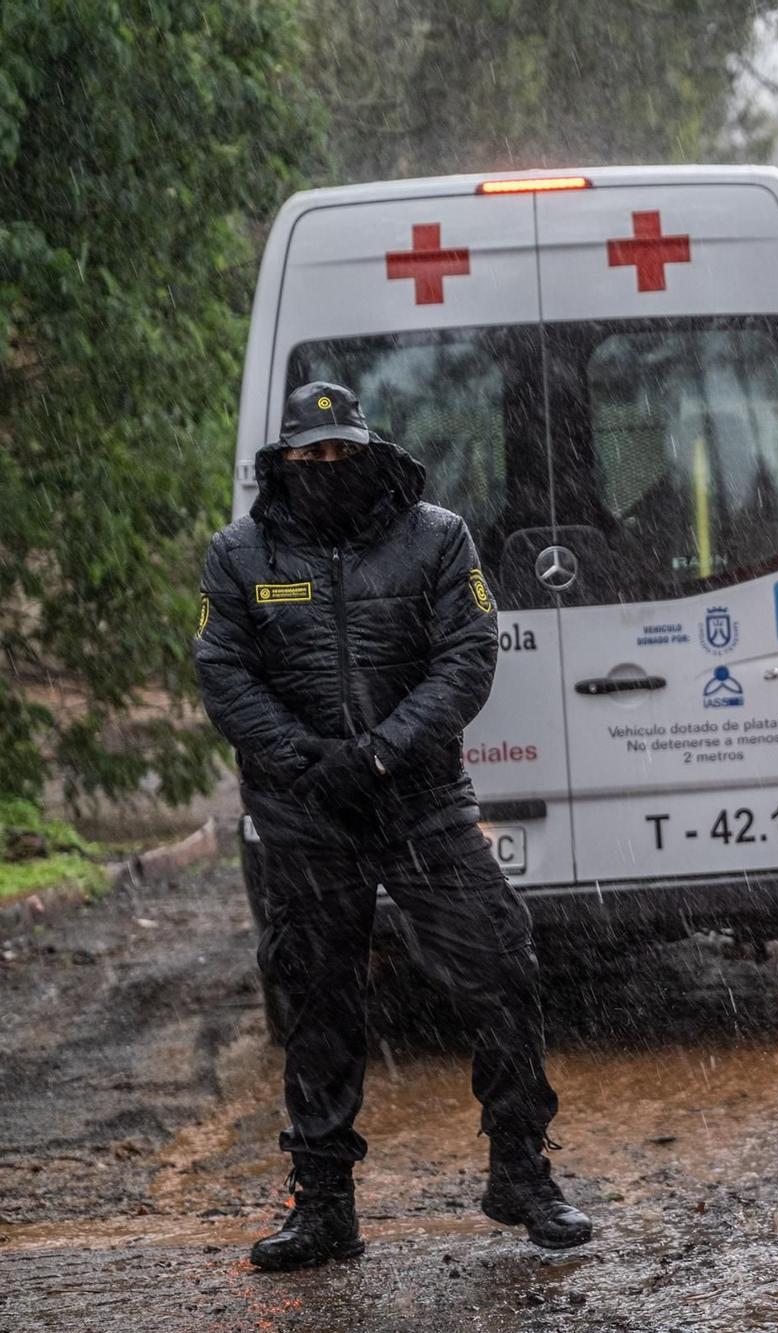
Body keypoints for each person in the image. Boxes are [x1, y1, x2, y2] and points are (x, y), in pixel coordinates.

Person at [195, 382, 591, 1269]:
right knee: (318, 1000)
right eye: (310, 456)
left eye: (341, 452)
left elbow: (467, 658)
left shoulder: (437, 537)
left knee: (501, 965)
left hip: (418, 801)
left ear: (369, 450)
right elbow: (224, 672)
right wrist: (304, 757)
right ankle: (324, 1204)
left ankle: (522, 1171)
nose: (326, 469)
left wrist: (377, 752)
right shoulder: (239, 553)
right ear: (283, 462)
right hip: (303, 814)